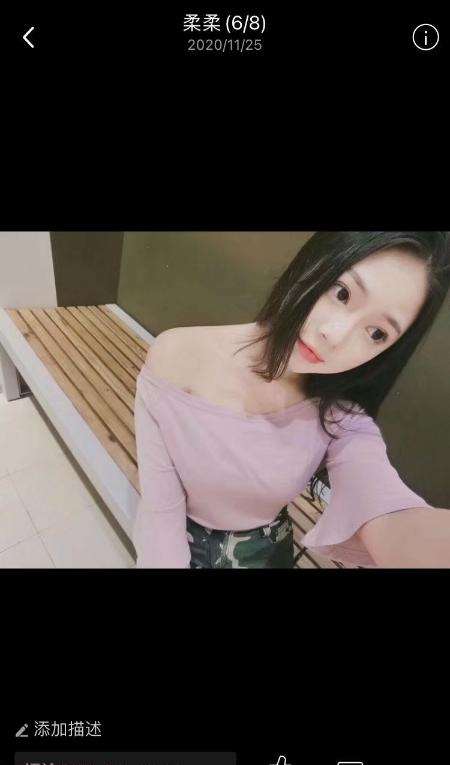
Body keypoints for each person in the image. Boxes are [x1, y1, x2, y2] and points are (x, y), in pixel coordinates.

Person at [132, 231, 450, 568]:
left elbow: (388, 511)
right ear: (315, 260)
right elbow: (160, 511)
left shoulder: (339, 415)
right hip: (184, 546)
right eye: (342, 293)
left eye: (376, 333)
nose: (334, 335)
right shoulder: (178, 356)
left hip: (269, 553)